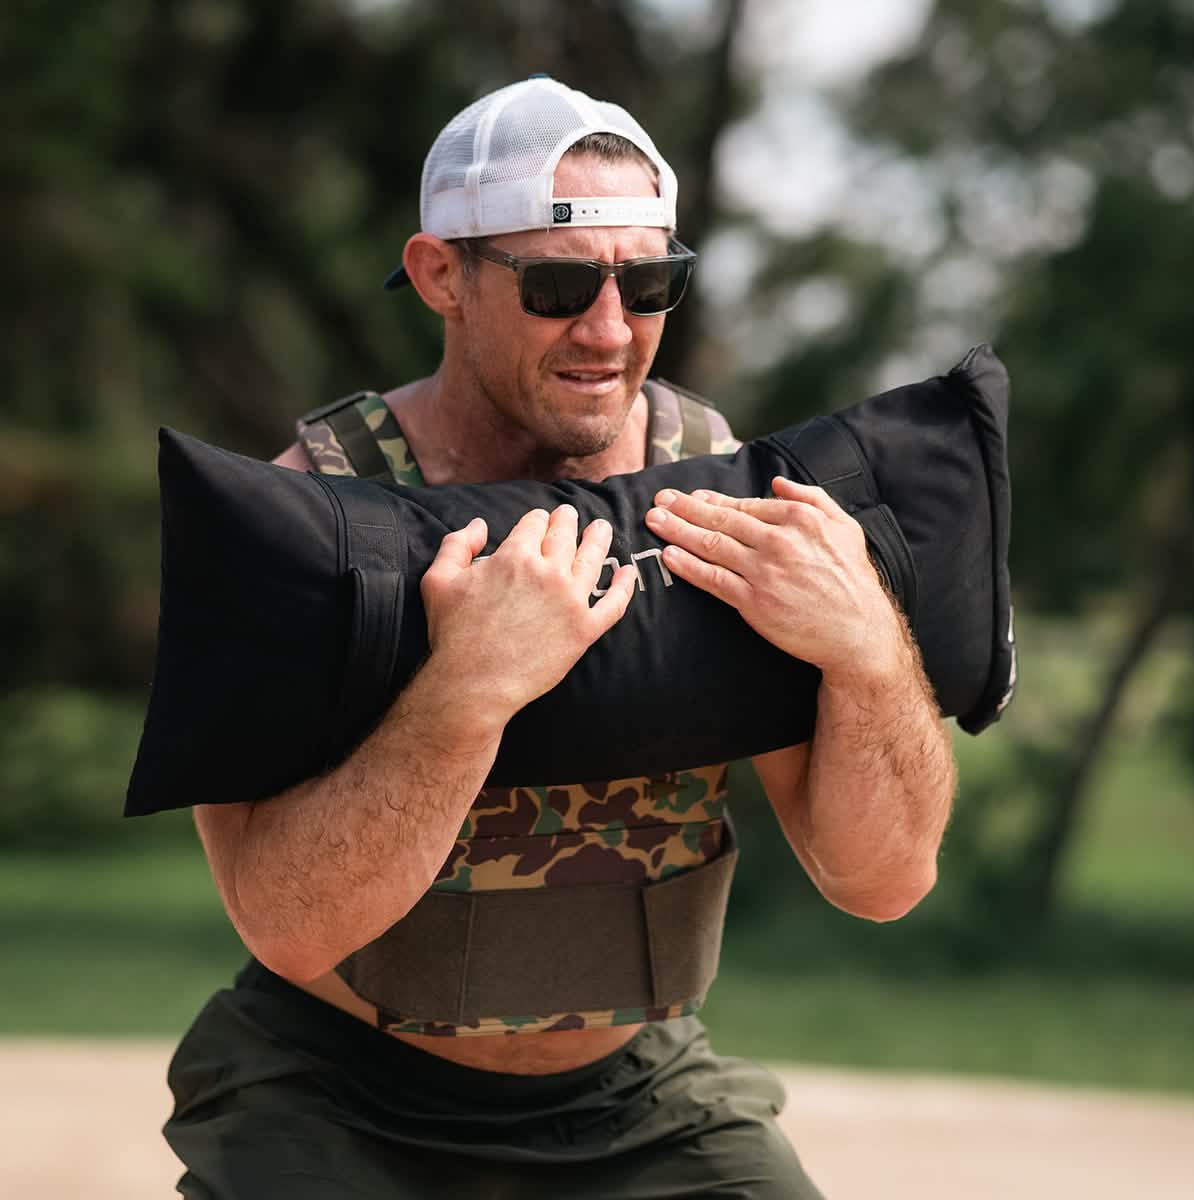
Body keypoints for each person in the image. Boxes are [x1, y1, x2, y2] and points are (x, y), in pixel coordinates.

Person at [163, 77, 956, 1198]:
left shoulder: (720, 491)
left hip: (639, 1094)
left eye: (649, 282)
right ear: (442, 274)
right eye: (558, 284)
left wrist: (870, 652)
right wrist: (469, 690)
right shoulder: (316, 513)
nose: (609, 328)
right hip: (338, 1097)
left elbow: (882, 882)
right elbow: (287, 923)